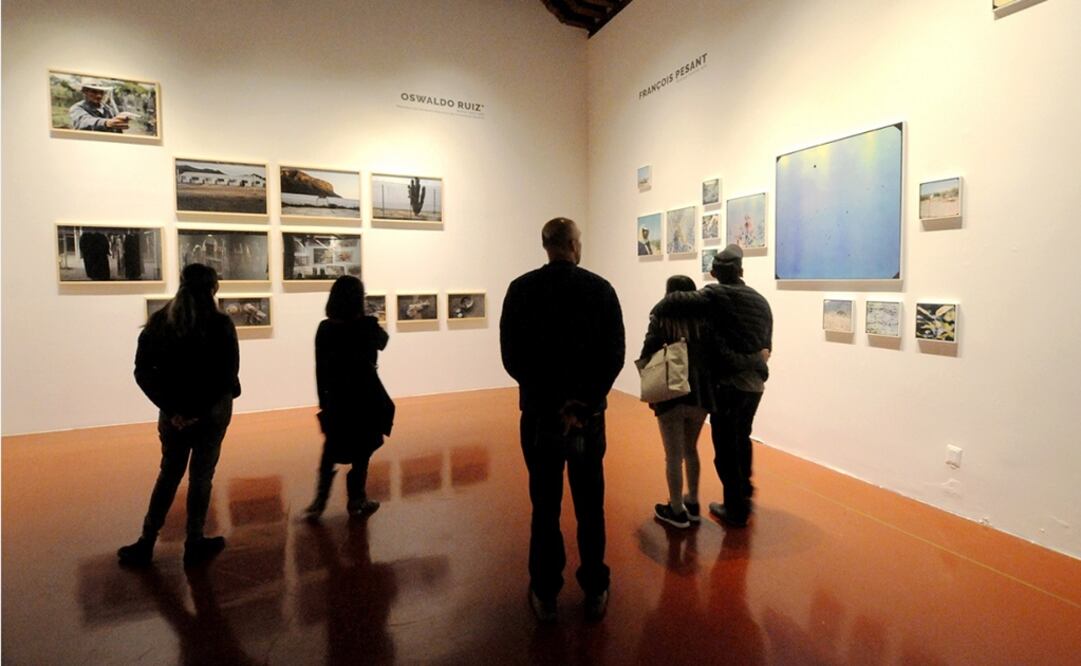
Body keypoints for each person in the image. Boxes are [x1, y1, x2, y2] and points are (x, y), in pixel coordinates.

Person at [500, 217, 625, 623]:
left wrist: (552, 401)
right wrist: (582, 402)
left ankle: (546, 590)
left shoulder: (521, 290)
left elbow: (512, 357)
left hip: (540, 416)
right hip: (587, 418)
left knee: (545, 505)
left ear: (546, 245)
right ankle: (594, 586)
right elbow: (614, 354)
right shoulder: (600, 289)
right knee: (590, 505)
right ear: (573, 244)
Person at [119, 263, 241, 568]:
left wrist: (173, 409)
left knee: (169, 473)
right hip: (210, 414)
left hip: (174, 417)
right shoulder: (220, 324)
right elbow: (226, 374)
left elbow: (143, 371)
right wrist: (197, 411)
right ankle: (194, 541)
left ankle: (146, 541)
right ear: (214, 288)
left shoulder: (160, 322)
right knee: (201, 477)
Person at [654, 244, 771, 528]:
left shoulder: (712, 295)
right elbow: (767, 346)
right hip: (754, 386)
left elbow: (675, 304)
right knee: (741, 439)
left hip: (728, 385)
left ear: (714, 272)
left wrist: (659, 312)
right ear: (741, 271)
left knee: (726, 450)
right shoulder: (761, 301)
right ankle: (743, 493)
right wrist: (757, 360)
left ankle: (735, 509)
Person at [304, 275, 394, 521]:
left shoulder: (326, 327)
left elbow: (320, 367)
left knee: (331, 448)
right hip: (364, 395)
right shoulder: (365, 326)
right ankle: (357, 501)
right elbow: (384, 342)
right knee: (362, 450)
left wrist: (323, 399)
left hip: (337, 396)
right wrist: (369, 320)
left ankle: (319, 502)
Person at [638, 275, 717, 529]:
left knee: (673, 455)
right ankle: (692, 502)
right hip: (701, 391)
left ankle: (675, 509)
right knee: (690, 449)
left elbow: (649, 348)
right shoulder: (707, 315)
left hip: (672, 389)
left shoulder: (662, 314)